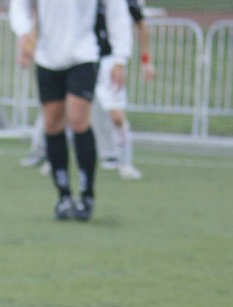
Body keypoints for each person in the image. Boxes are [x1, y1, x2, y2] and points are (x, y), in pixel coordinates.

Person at [11, 0, 130, 221]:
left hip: (83, 54)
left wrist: (120, 58)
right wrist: (24, 32)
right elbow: (20, 5)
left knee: (78, 119)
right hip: (47, 56)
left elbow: (117, 11)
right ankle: (64, 195)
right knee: (52, 123)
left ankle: (86, 195)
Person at [94, 0, 155, 180]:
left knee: (117, 117)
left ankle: (125, 163)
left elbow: (141, 24)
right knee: (66, 111)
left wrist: (145, 61)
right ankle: (53, 159)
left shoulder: (125, 3)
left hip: (110, 62)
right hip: (83, 59)